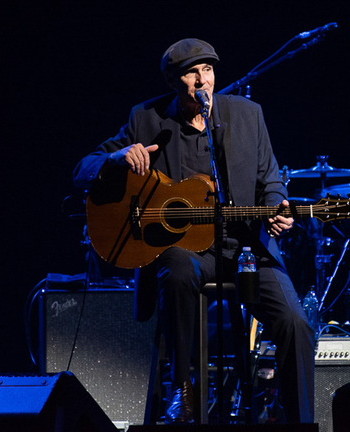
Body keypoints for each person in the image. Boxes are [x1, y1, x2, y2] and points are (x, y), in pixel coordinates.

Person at [73, 39, 315, 424]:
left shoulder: (248, 115)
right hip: (184, 249)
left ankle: (299, 417)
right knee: (178, 272)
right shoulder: (146, 118)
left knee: (294, 321)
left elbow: (270, 180)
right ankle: (182, 388)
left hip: (247, 246)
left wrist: (278, 208)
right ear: (173, 80)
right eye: (191, 72)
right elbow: (83, 169)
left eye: (207, 70)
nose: (201, 80)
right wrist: (119, 157)